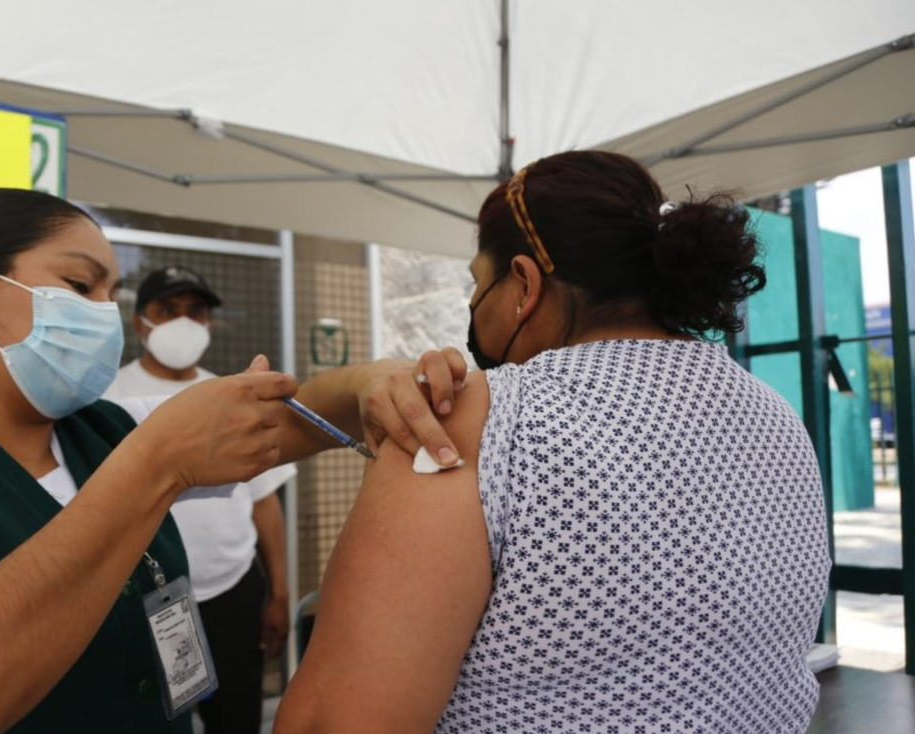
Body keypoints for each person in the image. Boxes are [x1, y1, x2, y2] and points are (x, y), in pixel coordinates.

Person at [0, 188, 466, 734]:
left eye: (110, 295)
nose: (103, 315)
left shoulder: (103, 431)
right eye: (79, 286)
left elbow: (289, 420)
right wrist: (158, 464)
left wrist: (370, 382)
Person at [275, 151, 832, 734]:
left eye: (477, 282)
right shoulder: (776, 415)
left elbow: (332, 723)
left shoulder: (469, 425)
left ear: (523, 282)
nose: (472, 303)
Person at [105, 265, 295, 734]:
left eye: (195, 311)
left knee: (236, 719)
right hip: (141, 599)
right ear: (139, 323)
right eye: (167, 310)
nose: (183, 322)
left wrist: (279, 591)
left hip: (232, 589)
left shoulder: (233, 396)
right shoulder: (108, 399)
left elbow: (264, 500)